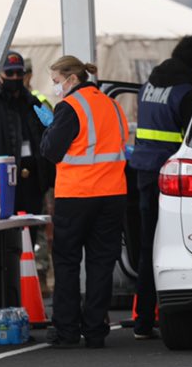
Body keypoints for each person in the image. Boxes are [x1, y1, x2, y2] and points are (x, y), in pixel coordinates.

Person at [128, 34, 192, 340]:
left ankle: (143, 320)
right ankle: (180, 312)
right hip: (175, 178)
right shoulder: (189, 93)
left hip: (144, 171)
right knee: (180, 245)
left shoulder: (149, 86)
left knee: (147, 246)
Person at [40, 56, 129, 349]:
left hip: (76, 196)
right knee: (101, 263)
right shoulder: (113, 105)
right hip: (112, 194)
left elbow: (51, 151)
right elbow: (120, 144)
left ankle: (66, 331)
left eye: (56, 81)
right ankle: (95, 331)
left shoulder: (70, 107)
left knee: (67, 263)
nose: (55, 87)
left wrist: (49, 128)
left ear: (72, 79)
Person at [0, 51, 55, 218]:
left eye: (19, 73)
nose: (15, 77)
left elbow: (48, 138)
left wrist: (49, 180)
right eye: (9, 73)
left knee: (31, 229)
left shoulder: (32, 103)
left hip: (32, 185)